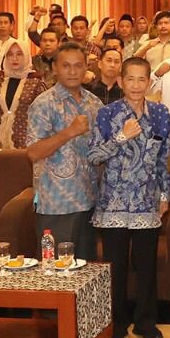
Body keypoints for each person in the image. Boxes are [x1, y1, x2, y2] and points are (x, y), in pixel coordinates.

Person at [88, 58, 170, 338]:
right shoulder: (107, 114)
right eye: (131, 79)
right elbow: (94, 155)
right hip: (113, 200)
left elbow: (165, 158)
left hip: (147, 202)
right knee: (115, 266)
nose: (136, 85)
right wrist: (120, 138)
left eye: (142, 79)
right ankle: (116, 325)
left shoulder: (160, 114)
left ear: (149, 82)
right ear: (122, 81)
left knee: (146, 264)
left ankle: (146, 321)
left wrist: (165, 196)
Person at [26, 41, 103, 261]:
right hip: (56, 204)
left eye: (78, 65)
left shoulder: (94, 103)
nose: (72, 71)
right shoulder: (44, 104)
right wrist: (69, 132)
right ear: (54, 68)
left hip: (89, 200)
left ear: (86, 67)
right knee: (57, 277)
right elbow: (33, 152)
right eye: (66, 65)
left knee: (86, 273)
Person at [0, 40, 48, 150]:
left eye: (19, 54)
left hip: (24, 146)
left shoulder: (36, 81)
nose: (14, 58)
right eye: (10, 54)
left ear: (27, 56)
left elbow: (45, 115)